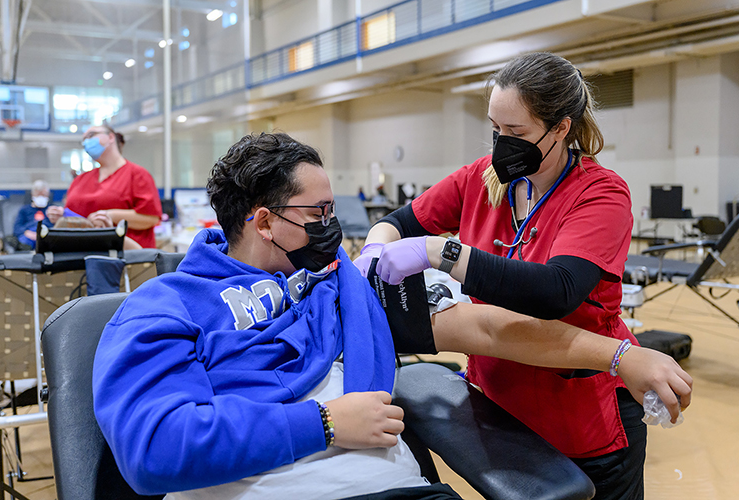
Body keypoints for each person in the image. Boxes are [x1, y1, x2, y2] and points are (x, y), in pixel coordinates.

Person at [92, 132, 691, 499]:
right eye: (318, 211)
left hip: (399, 489)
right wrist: (322, 423)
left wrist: (620, 355)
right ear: (263, 219)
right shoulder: (163, 307)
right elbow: (153, 448)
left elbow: (483, 327)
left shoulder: (342, 281)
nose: (334, 226)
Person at [355, 52, 663, 499]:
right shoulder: (481, 180)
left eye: (516, 132)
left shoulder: (600, 193)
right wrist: (375, 248)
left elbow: (555, 292)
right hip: (500, 407)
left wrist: (439, 252)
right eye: (496, 129)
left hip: (579, 415)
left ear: (562, 127)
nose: (501, 144)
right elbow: (401, 221)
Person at [47, 124, 162, 248]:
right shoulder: (81, 180)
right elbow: (75, 216)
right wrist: (60, 215)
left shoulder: (137, 174)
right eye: (84, 140)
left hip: (128, 257)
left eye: (91, 135)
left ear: (111, 137)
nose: (87, 142)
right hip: (83, 253)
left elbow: (151, 218)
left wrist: (110, 215)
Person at [12, 180, 54, 250]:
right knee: (24, 240)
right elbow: (17, 228)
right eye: (38, 195)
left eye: (43, 195)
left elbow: (57, 227)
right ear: (32, 194)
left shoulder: (53, 210)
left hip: (46, 235)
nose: (41, 197)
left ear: (48, 195)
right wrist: (28, 233)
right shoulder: (24, 210)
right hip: (28, 235)